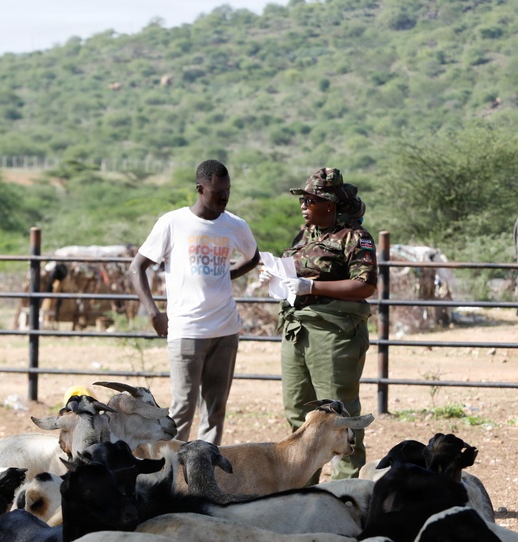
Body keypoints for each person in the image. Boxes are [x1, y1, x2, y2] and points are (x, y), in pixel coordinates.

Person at [129, 160, 260, 445]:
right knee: (182, 409)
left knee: (215, 410)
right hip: (187, 330)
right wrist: (154, 313)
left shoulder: (235, 225)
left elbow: (253, 256)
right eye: (217, 192)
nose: (224, 198)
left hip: (225, 330)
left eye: (227, 191)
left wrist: (228, 274)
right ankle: (170, 471)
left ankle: (205, 472)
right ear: (200, 189)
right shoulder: (173, 223)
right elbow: (136, 267)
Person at [274, 168, 377, 480]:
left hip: (334, 332)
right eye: (304, 198)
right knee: (298, 412)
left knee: (339, 416)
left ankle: (347, 495)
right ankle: (302, 489)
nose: (304, 204)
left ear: (329, 205)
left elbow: (365, 285)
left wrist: (313, 287)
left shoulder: (355, 238)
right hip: (296, 329)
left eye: (311, 199)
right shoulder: (305, 235)